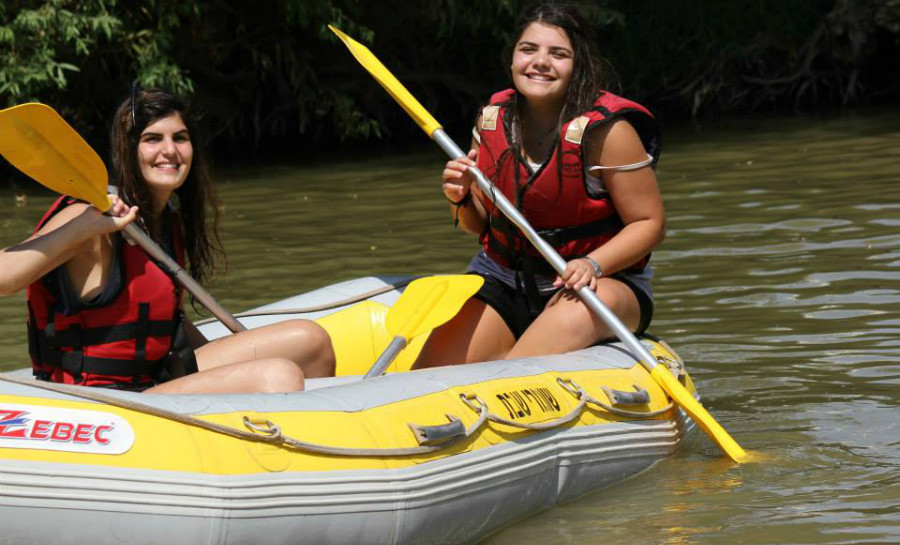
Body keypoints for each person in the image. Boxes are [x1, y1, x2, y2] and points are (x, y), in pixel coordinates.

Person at [0, 88, 335, 393]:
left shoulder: (163, 220)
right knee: (277, 375)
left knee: (311, 341)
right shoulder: (89, 215)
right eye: (152, 139)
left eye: (180, 137)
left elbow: (157, 317)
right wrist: (82, 229)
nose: (169, 150)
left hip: (155, 376)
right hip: (103, 399)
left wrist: (225, 366)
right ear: (128, 150)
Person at [414, 2, 665, 368]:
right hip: (504, 279)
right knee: (428, 373)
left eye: (558, 54)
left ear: (578, 65)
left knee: (517, 371)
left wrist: (592, 264)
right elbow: (478, 225)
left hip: (599, 285)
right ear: (513, 57)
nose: (540, 62)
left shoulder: (608, 133)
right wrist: (460, 198)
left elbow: (649, 223)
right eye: (528, 49)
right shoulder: (490, 121)